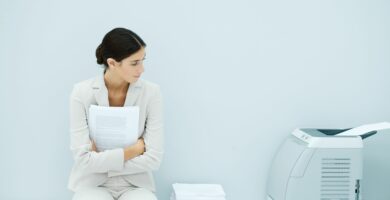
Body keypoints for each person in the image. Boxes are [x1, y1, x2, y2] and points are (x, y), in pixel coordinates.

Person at [68, 27, 164, 200]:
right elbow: (82, 160)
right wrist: (134, 150)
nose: (142, 69)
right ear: (112, 63)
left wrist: (99, 160)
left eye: (143, 60)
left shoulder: (151, 93)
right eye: (134, 63)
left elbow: (154, 159)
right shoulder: (81, 92)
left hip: (136, 185)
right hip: (92, 184)